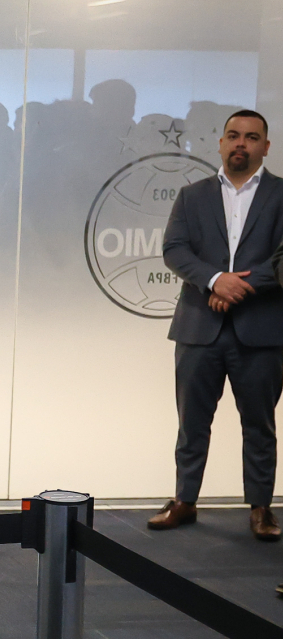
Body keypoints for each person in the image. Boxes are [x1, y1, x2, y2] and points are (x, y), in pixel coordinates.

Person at [155, 109, 283, 542]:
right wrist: (213, 280)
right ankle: (184, 500)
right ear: (221, 143)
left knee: (260, 425)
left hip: (261, 330)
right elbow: (174, 249)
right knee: (191, 423)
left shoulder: (282, 194)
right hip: (198, 328)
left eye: (251, 137)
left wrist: (236, 287)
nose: (241, 143)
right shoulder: (191, 196)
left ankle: (261, 508)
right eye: (233, 135)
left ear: (266, 146)